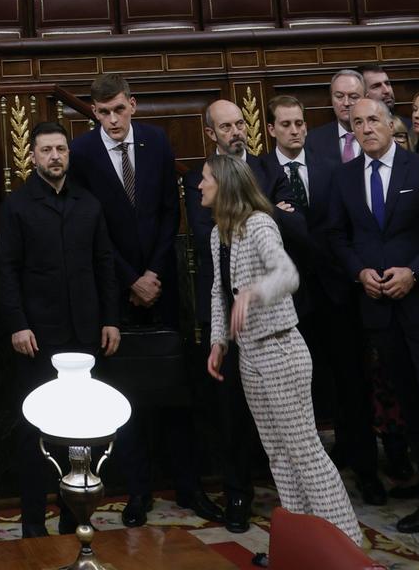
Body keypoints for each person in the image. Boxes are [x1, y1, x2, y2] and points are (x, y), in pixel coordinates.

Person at [69, 73, 223, 527]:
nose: (113, 120)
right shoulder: (81, 152)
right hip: (115, 289)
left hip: (163, 281)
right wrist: (130, 278)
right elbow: (90, 225)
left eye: (118, 109)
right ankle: (138, 492)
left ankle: (189, 486)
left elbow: (164, 212)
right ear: (93, 113)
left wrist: (153, 272)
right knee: (127, 392)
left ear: (132, 104)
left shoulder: (156, 141)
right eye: (103, 112)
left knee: (175, 387)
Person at [328, 97, 419, 557]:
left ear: (392, 125)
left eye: (374, 120)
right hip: (379, 312)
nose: (366, 128)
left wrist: (417, 271)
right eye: (358, 123)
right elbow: (337, 235)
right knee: (409, 408)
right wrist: (358, 272)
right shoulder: (345, 178)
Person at [203, 155, 362, 557]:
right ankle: (303, 545)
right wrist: (219, 342)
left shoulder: (259, 224)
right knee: (277, 453)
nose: (199, 185)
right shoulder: (217, 233)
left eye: (205, 179)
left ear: (224, 184)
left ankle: (346, 547)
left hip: (280, 347)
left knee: (304, 450)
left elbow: (287, 274)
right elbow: (218, 292)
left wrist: (255, 293)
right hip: (249, 355)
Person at [0, 119, 121, 537]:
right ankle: (33, 526)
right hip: (37, 339)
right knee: (36, 436)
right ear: (32, 156)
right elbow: (7, 271)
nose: (54, 156)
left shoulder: (88, 202)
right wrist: (17, 324)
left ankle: (74, 520)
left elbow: (104, 264)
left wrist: (111, 319)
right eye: (46, 150)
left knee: (81, 436)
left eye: (61, 150)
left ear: (69, 154)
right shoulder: (17, 206)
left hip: (84, 336)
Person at [252, 93, 379, 499]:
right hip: (283, 301)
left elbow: (338, 229)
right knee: (293, 394)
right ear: (270, 129)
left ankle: (365, 470)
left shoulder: (331, 169)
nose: (295, 130)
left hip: (333, 293)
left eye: (300, 123)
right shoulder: (258, 173)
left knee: (350, 383)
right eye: (286, 124)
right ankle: (300, 483)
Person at [182, 100, 264, 533]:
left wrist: (252, 296)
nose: (236, 132)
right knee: (231, 415)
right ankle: (237, 492)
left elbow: (288, 262)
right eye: (226, 126)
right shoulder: (213, 221)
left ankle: (312, 519)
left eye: (240, 124)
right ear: (211, 132)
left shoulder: (266, 179)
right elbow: (216, 283)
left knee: (286, 431)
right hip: (231, 333)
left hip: (272, 334)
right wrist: (219, 339)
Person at [306, 69, 365, 163]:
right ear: (331, 98)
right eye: (339, 96)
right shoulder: (313, 139)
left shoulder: (377, 135)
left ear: (365, 98)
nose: (346, 103)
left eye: (353, 97)